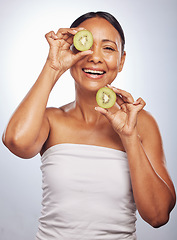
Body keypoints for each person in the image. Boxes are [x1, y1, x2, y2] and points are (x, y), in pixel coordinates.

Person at [2, 11, 176, 240]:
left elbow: (158, 216)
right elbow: (16, 141)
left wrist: (129, 136)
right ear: (71, 51)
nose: (95, 57)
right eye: (86, 45)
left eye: (108, 48)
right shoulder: (51, 120)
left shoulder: (140, 123)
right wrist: (53, 67)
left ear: (121, 61)